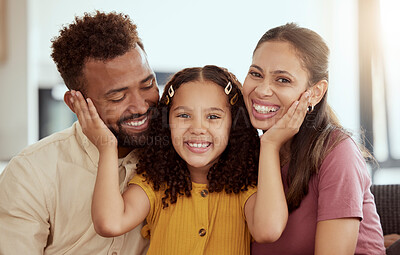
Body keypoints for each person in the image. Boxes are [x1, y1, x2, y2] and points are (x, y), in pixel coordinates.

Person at [69, 65, 304, 254]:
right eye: (183, 115)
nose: (198, 128)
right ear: (166, 122)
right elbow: (109, 223)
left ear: (234, 125)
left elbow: (268, 230)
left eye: (213, 117)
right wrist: (107, 146)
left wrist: (270, 145)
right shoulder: (154, 184)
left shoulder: (246, 188)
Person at [0, 11, 158, 254]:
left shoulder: (177, 156)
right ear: (76, 104)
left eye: (148, 85)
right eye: (118, 96)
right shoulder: (31, 173)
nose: (140, 106)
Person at [243, 23, 386, 254]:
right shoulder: (245, 153)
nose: (262, 90)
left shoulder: (337, 152)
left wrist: (270, 144)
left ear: (316, 92)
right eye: (256, 74)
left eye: (283, 80)